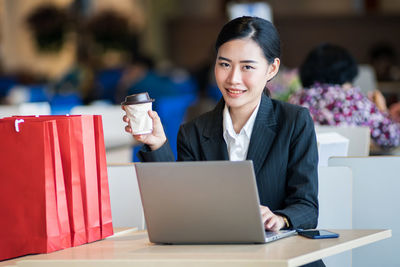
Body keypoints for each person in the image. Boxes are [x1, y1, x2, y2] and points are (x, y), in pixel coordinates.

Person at [123, 16, 322, 267]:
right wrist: (157, 145)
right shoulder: (194, 131)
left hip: (282, 258)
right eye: (224, 64)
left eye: (247, 67)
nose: (233, 79)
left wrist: (280, 218)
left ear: (271, 69)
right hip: (218, 259)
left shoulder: (294, 121)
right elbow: (179, 210)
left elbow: (306, 206)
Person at [289, 43, 400, 150]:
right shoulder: (354, 100)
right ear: (347, 72)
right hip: (353, 167)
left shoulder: (297, 99)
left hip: (305, 167)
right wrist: (382, 110)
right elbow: (393, 139)